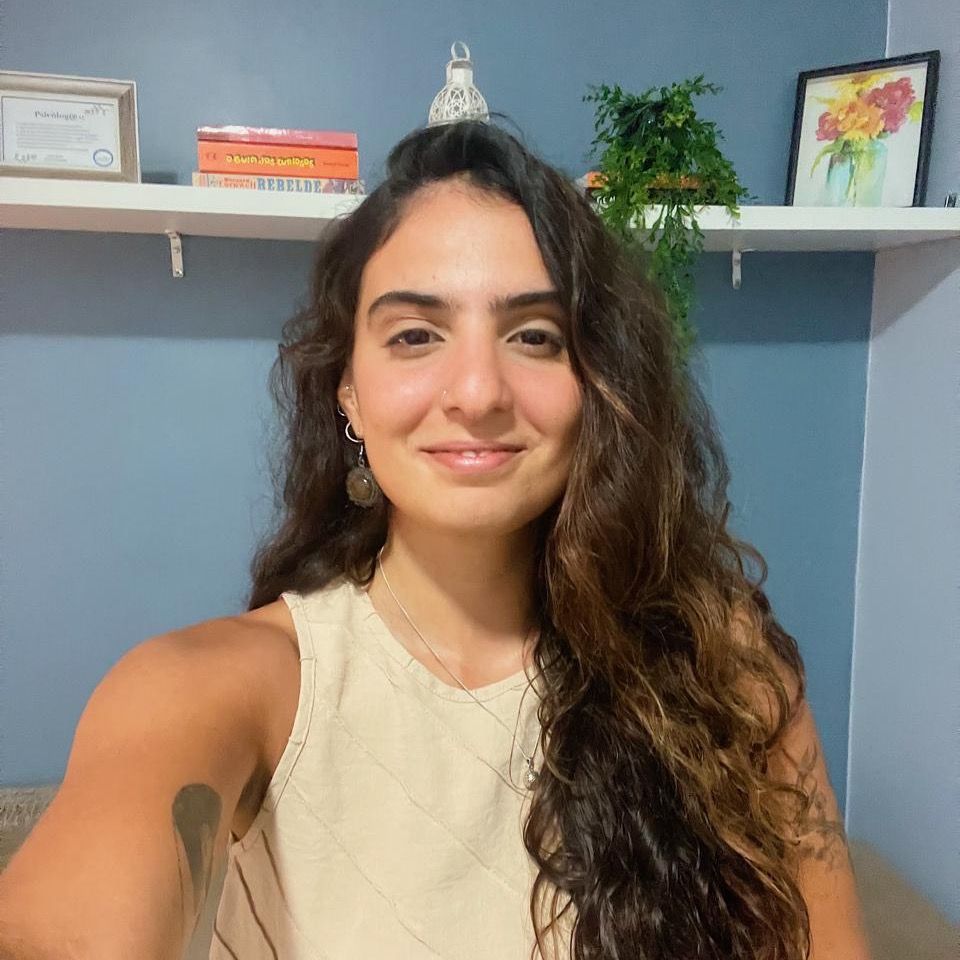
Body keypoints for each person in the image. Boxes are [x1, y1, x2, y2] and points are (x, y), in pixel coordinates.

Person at [0, 119, 871, 960]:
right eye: (416, 335)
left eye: (535, 336)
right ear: (348, 390)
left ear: (598, 381)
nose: (478, 391)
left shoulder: (725, 669)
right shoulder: (221, 689)